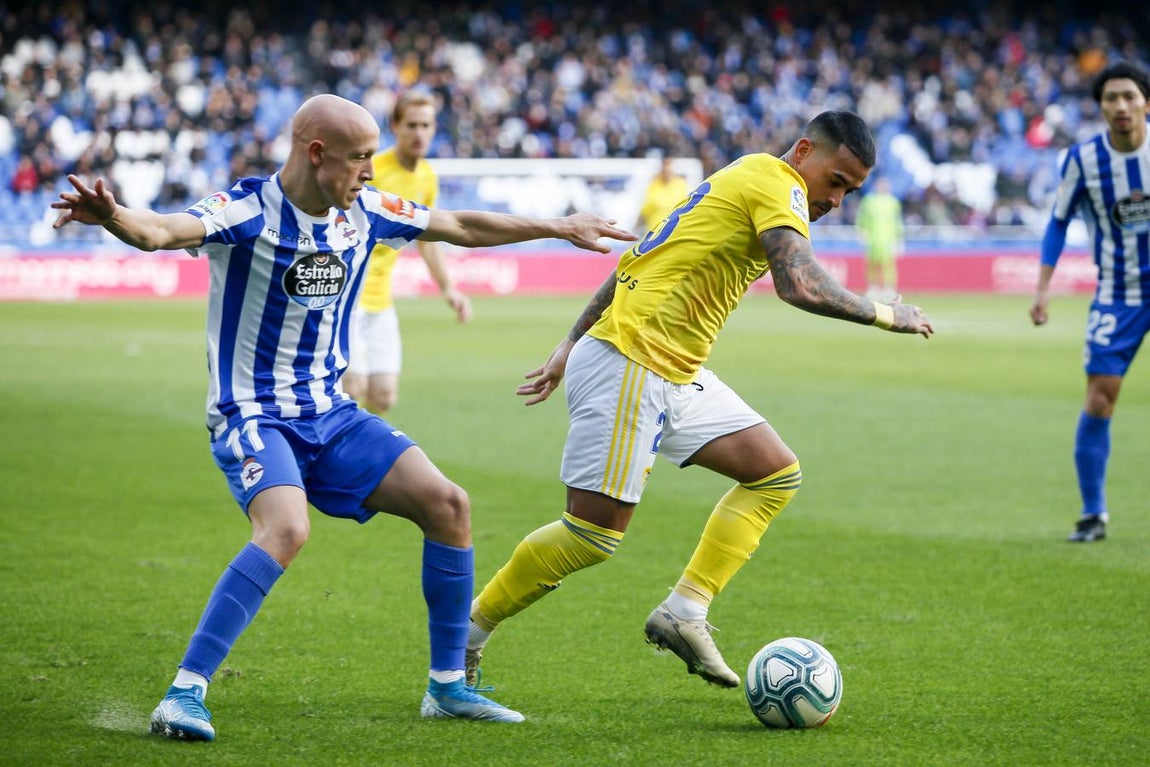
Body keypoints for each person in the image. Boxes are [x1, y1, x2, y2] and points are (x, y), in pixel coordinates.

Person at [51, 94, 635, 740]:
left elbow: (461, 226)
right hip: (254, 414)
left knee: (449, 504)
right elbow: (160, 232)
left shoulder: (369, 212)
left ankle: (447, 687)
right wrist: (112, 218)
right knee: (286, 528)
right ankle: (184, 692)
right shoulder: (245, 211)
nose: (370, 171)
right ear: (316, 153)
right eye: (359, 158)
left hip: (331, 415)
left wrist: (557, 226)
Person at [465, 111, 933, 695]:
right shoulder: (776, 181)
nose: (837, 199)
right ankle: (465, 638)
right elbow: (800, 284)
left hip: (669, 367)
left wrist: (569, 343)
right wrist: (890, 314)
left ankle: (684, 611)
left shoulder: (739, 178)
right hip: (637, 359)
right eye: (835, 180)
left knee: (775, 473)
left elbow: (638, 258)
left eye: (850, 190)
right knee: (591, 537)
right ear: (805, 151)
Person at [1029, 60, 1150, 544]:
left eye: (1129, 96)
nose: (1120, 106)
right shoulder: (1082, 159)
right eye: (1110, 98)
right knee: (1100, 397)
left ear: (1146, 102)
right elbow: (1058, 222)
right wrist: (1042, 288)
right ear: (1101, 107)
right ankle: (1093, 513)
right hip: (1118, 293)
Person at [344, 90, 471, 416]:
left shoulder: (427, 177)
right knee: (351, 389)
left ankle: (358, 452)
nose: (419, 133)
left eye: (425, 125)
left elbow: (426, 238)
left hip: (381, 300)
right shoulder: (373, 170)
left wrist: (448, 289)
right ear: (395, 126)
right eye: (411, 125)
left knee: (383, 396)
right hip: (348, 297)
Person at [855, 175, 903, 301]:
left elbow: (897, 221)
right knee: (871, 264)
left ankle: (888, 288)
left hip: (888, 238)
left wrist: (898, 238)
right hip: (872, 238)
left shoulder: (893, 202)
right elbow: (862, 218)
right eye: (881, 184)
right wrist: (861, 231)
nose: (883, 187)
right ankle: (873, 288)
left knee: (889, 265)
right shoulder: (869, 201)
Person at [636, 155, 689, 234]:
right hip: (655, 231)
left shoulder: (681, 185)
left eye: (669, 166)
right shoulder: (654, 184)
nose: (666, 170)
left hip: (674, 231)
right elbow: (645, 209)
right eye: (665, 166)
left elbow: (686, 207)